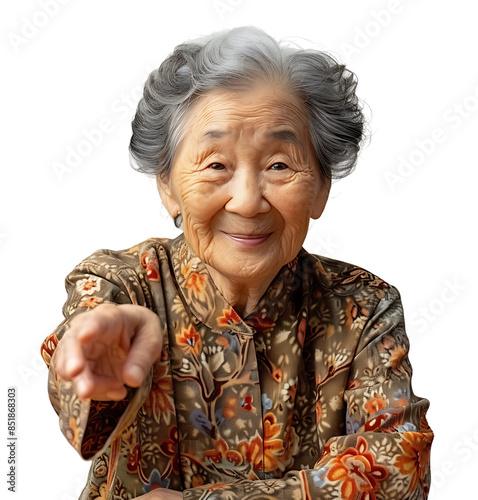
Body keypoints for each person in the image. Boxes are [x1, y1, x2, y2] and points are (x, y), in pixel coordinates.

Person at [41, 26, 433, 500]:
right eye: (216, 165)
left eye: (279, 165)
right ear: (167, 184)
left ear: (321, 187)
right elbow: (80, 392)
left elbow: (397, 471)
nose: (248, 202)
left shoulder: (363, 306)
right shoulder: (121, 284)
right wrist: (92, 367)